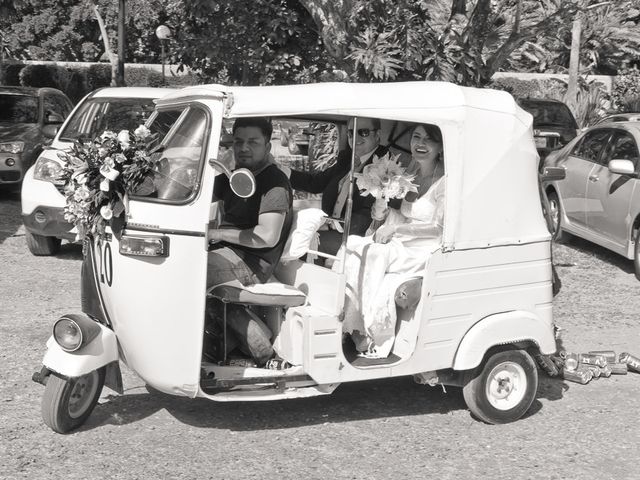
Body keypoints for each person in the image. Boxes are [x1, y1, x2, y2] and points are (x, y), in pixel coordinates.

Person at [336, 123, 445, 359]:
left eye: (429, 139)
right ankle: (347, 318)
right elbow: (406, 215)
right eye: (416, 137)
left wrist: (395, 229)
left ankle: (366, 330)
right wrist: (385, 212)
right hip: (404, 241)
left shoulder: (444, 182)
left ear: (440, 146)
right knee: (353, 244)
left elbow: (439, 228)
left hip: (425, 249)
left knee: (375, 253)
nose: (420, 144)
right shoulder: (411, 174)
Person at [207, 117, 293, 365]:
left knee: (193, 270)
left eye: (253, 142)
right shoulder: (234, 176)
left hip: (253, 262)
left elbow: (266, 236)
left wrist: (217, 234)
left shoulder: (274, 183)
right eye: (238, 142)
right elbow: (197, 198)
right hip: (225, 252)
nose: (244, 148)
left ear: (268, 146)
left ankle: (260, 348)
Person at [280, 117, 389, 255]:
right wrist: (279, 170)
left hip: (359, 236)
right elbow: (315, 184)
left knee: (299, 246)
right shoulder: (346, 159)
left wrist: (331, 224)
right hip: (331, 227)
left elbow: (367, 215)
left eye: (363, 132)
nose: (355, 137)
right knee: (287, 233)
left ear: (377, 135)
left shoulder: (386, 165)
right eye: (351, 133)